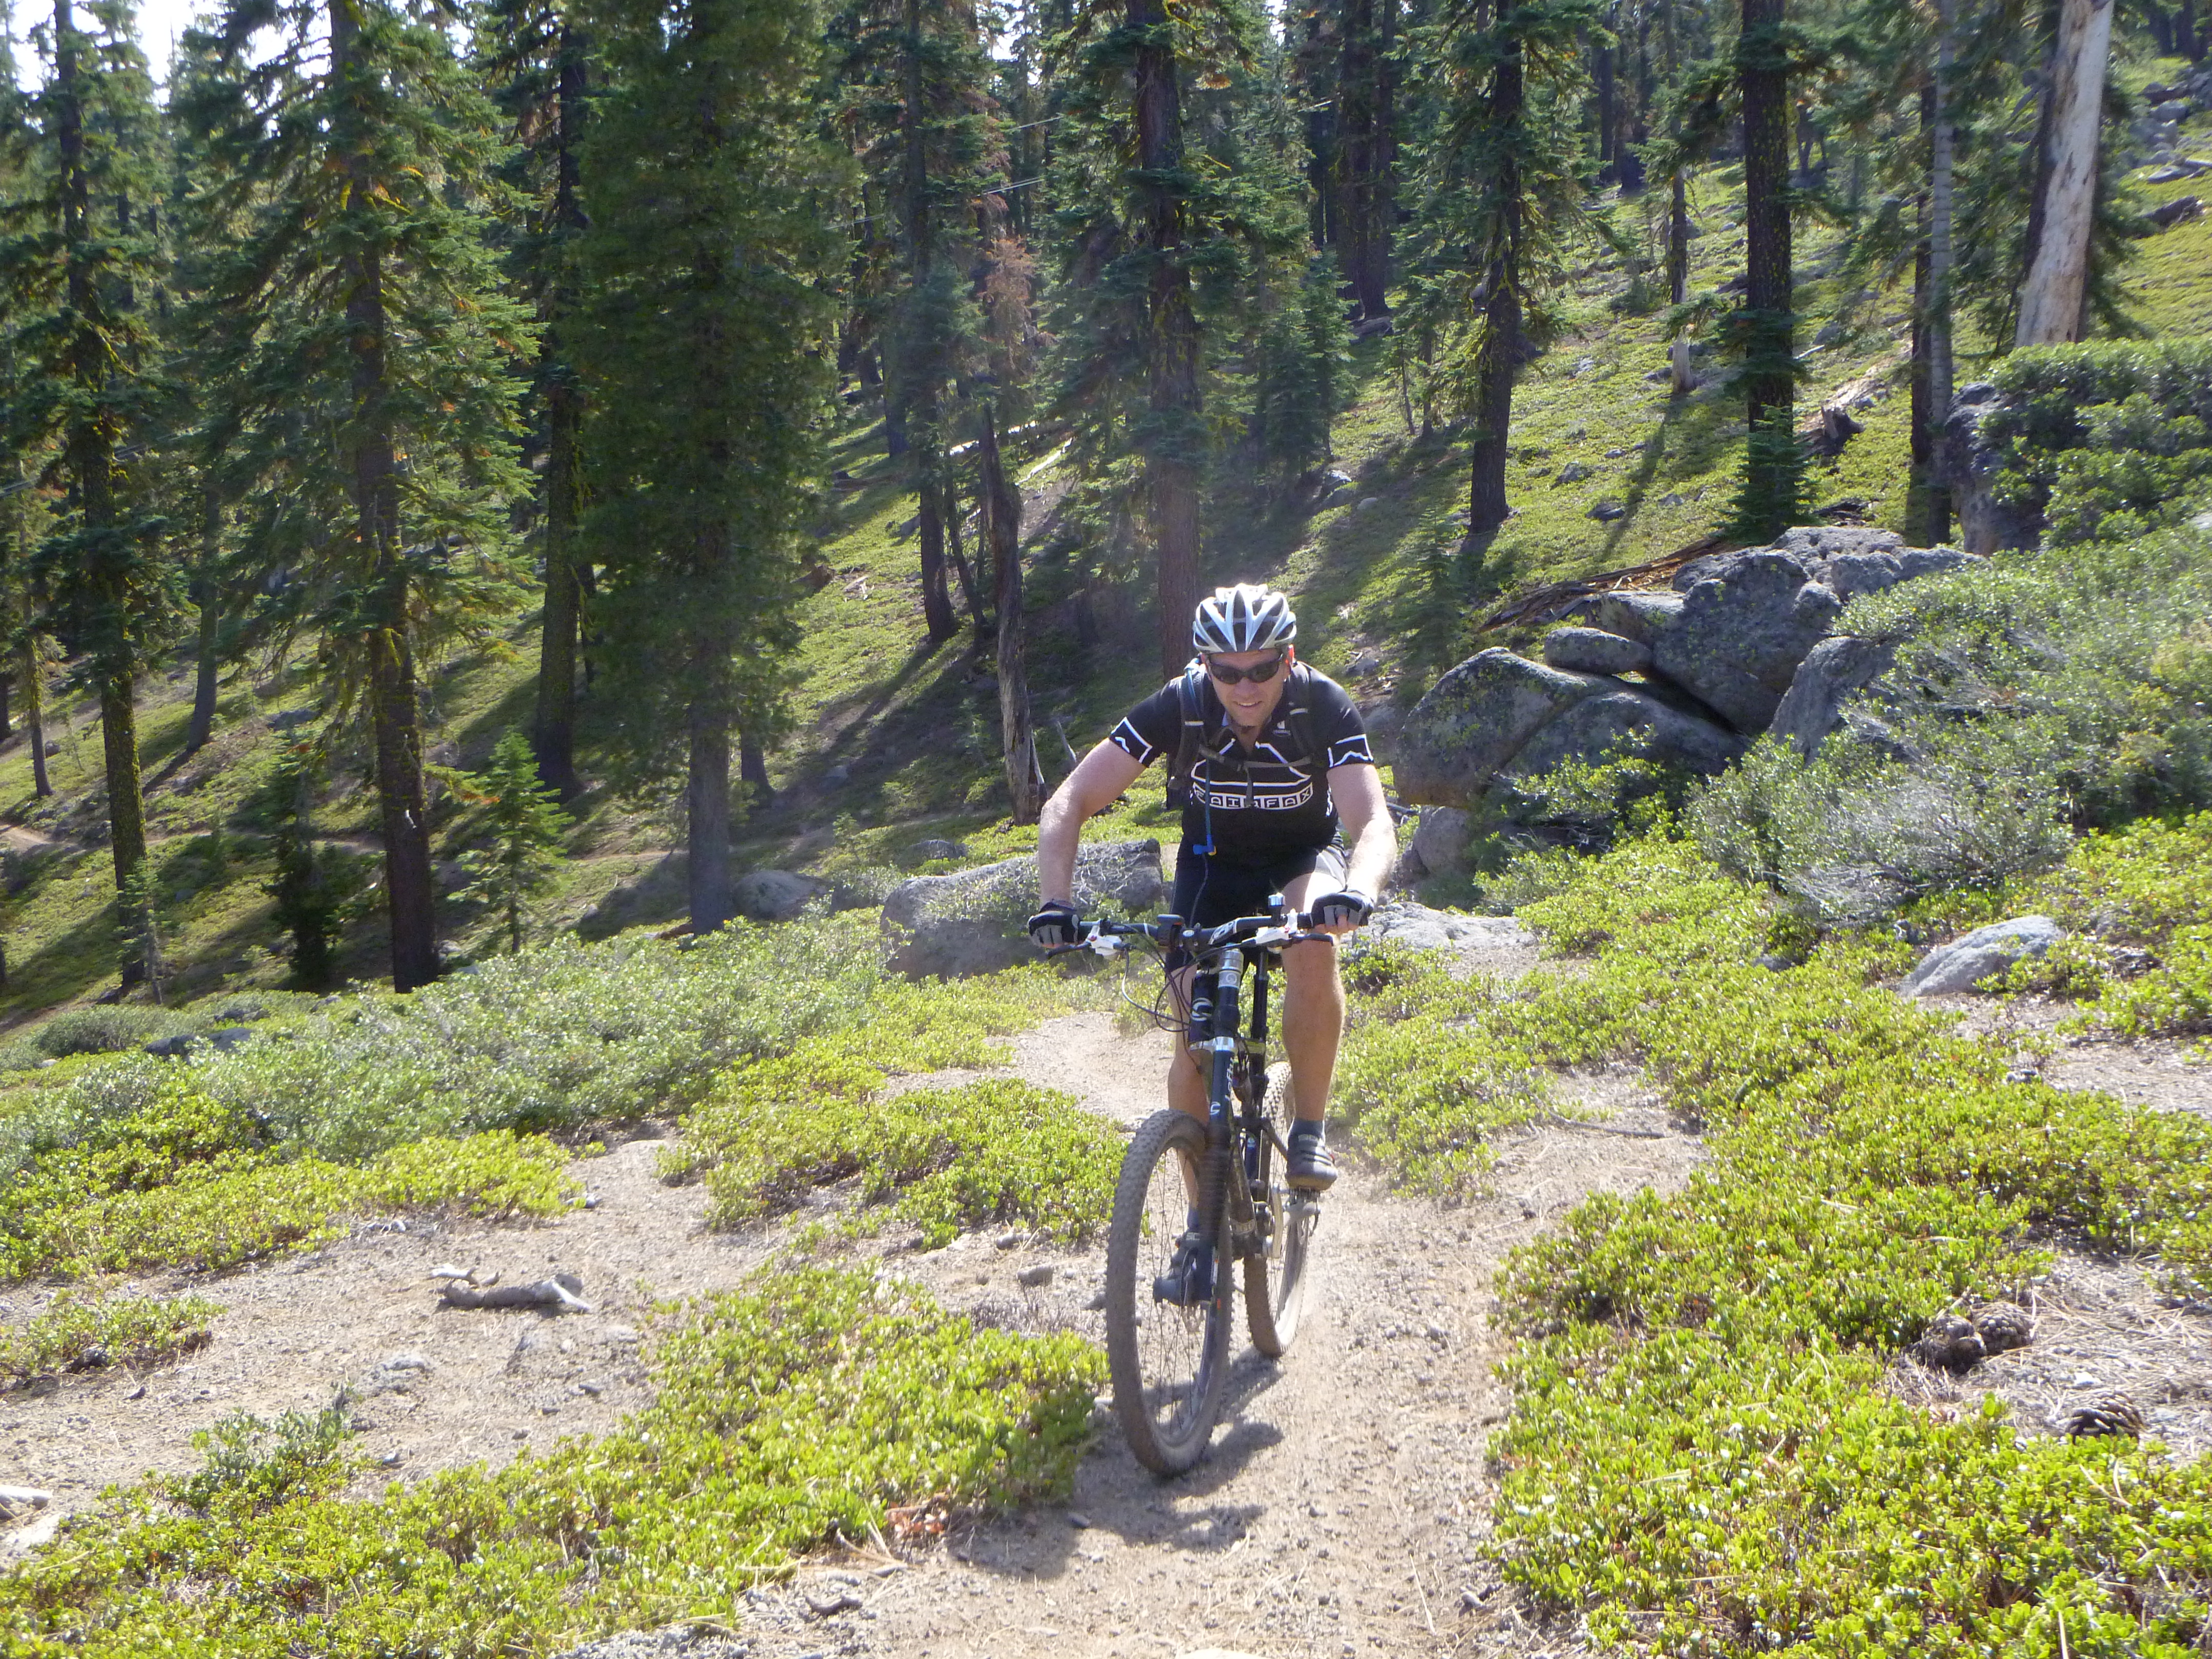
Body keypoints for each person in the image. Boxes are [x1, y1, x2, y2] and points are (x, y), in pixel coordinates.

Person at [1027, 583, 1395, 1305]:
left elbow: (1371, 820)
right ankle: (1202, 1232)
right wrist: (1055, 902)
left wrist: (1359, 890)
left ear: (1289, 658)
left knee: (1313, 940)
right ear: (1205, 666)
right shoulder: (1181, 704)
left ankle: (1309, 1128)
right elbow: (1069, 801)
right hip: (1210, 870)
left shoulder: (1321, 704)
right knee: (1193, 1045)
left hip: (1300, 863)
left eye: (1262, 668)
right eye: (1227, 671)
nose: (1245, 686)